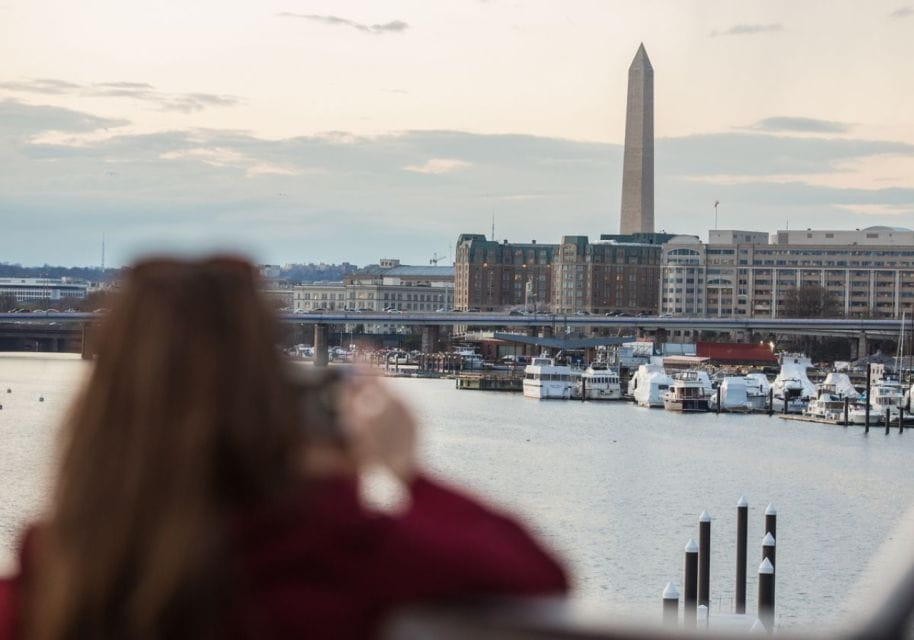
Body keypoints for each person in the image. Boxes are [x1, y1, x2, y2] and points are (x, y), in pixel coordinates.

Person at [0, 256, 567, 640]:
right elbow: (533, 571)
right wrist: (403, 470)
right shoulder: (326, 556)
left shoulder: (46, 587)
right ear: (267, 394)